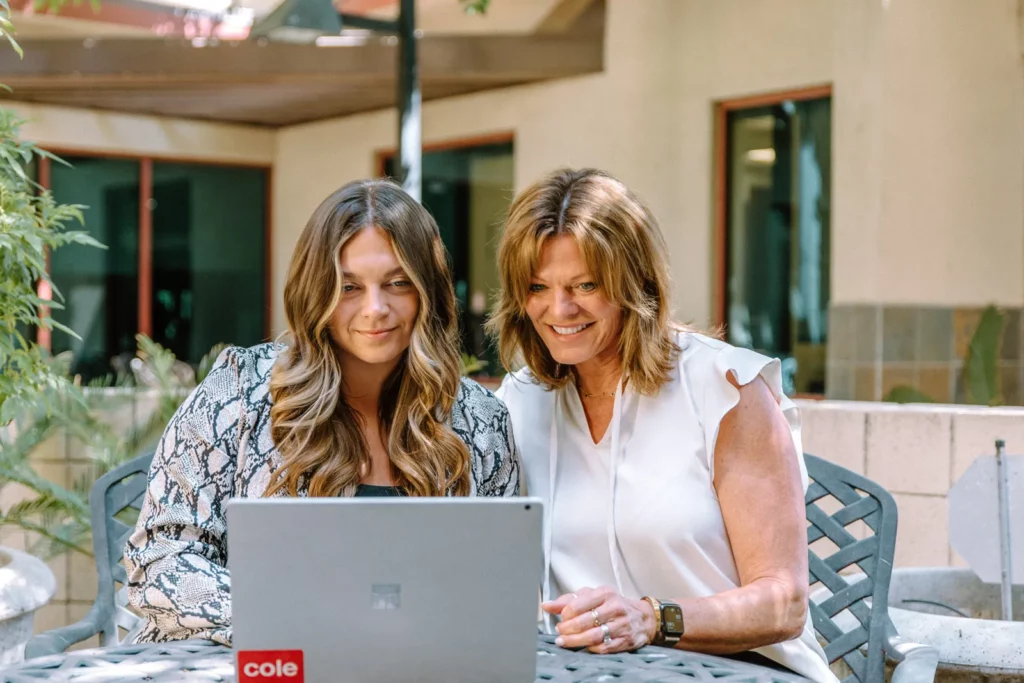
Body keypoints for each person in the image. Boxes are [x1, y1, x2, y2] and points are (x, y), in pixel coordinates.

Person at [125, 179, 521, 646]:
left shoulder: (478, 420)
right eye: (348, 286)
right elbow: (163, 555)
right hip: (254, 663)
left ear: (427, 291)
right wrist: (296, 625)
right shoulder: (239, 391)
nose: (375, 309)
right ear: (317, 292)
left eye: (397, 283)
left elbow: (499, 583)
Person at [489, 168, 837, 682]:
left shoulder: (723, 389)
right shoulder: (521, 402)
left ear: (635, 284)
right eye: (538, 287)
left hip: (744, 671)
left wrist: (653, 618)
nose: (559, 309)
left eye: (585, 285)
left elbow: (782, 603)